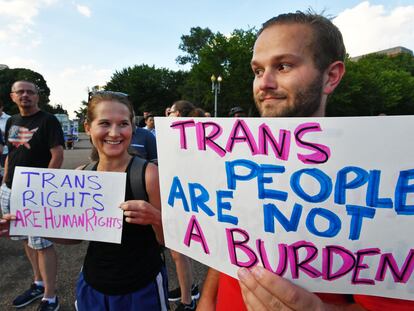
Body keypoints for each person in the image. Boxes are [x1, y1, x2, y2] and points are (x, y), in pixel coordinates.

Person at [197, 11, 414, 311]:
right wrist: (207, 302)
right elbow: (226, 244)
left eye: (283, 66)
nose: (264, 83)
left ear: (331, 76)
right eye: (258, 70)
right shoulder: (234, 160)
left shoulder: (376, 179)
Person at [1, 80, 64, 311]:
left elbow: (56, 155)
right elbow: (11, 153)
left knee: (42, 242)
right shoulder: (12, 121)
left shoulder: (48, 121)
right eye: (21, 92)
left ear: (38, 96)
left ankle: (50, 296)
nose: (25, 95)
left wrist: (43, 188)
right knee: (26, 239)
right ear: (13, 96)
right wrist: (4, 182)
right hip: (10, 189)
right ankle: (37, 282)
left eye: (30, 92)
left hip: (35, 192)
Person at [167, 99, 200, 311]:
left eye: (170, 111)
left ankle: (188, 300)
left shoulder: (189, 134)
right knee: (177, 251)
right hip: (177, 194)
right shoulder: (176, 134)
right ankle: (188, 287)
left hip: (184, 198)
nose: (167, 114)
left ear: (177, 114)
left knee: (179, 251)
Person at [0, 98, 10, 168]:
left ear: (1, 107)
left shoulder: (10, 119)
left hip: (5, 152)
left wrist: (1, 132)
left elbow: (15, 136)